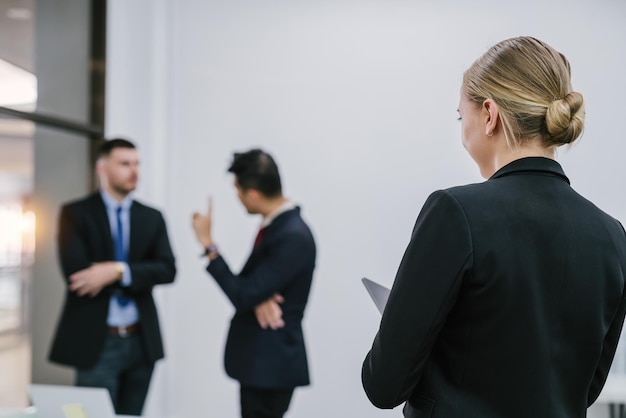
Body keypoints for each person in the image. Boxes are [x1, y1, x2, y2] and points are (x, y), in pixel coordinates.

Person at [361, 36, 626, 418]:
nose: (461, 130)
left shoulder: (455, 212)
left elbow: (384, 385)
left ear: (489, 114)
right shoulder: (612, 237)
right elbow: (584, 389)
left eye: (460, 116)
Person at [49, 138, 176, 416]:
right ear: (103, 168)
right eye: (125, 164)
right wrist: (138, 273)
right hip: (96, 341)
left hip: (141, 341)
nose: (134, 171)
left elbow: (167, 270)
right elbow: (79, 277)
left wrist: (116, 270)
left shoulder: (151, 217)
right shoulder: (76, 214)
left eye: (137, 164)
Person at [192, 148, 316, 418]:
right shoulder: (277, 227)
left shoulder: (292, 235)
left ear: (253, 195)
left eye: (237, 190)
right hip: (261, 362)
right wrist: (257, 295)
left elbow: (242, 293)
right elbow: (250, 290)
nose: (237, 198)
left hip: (270, 365)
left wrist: (208, 244)